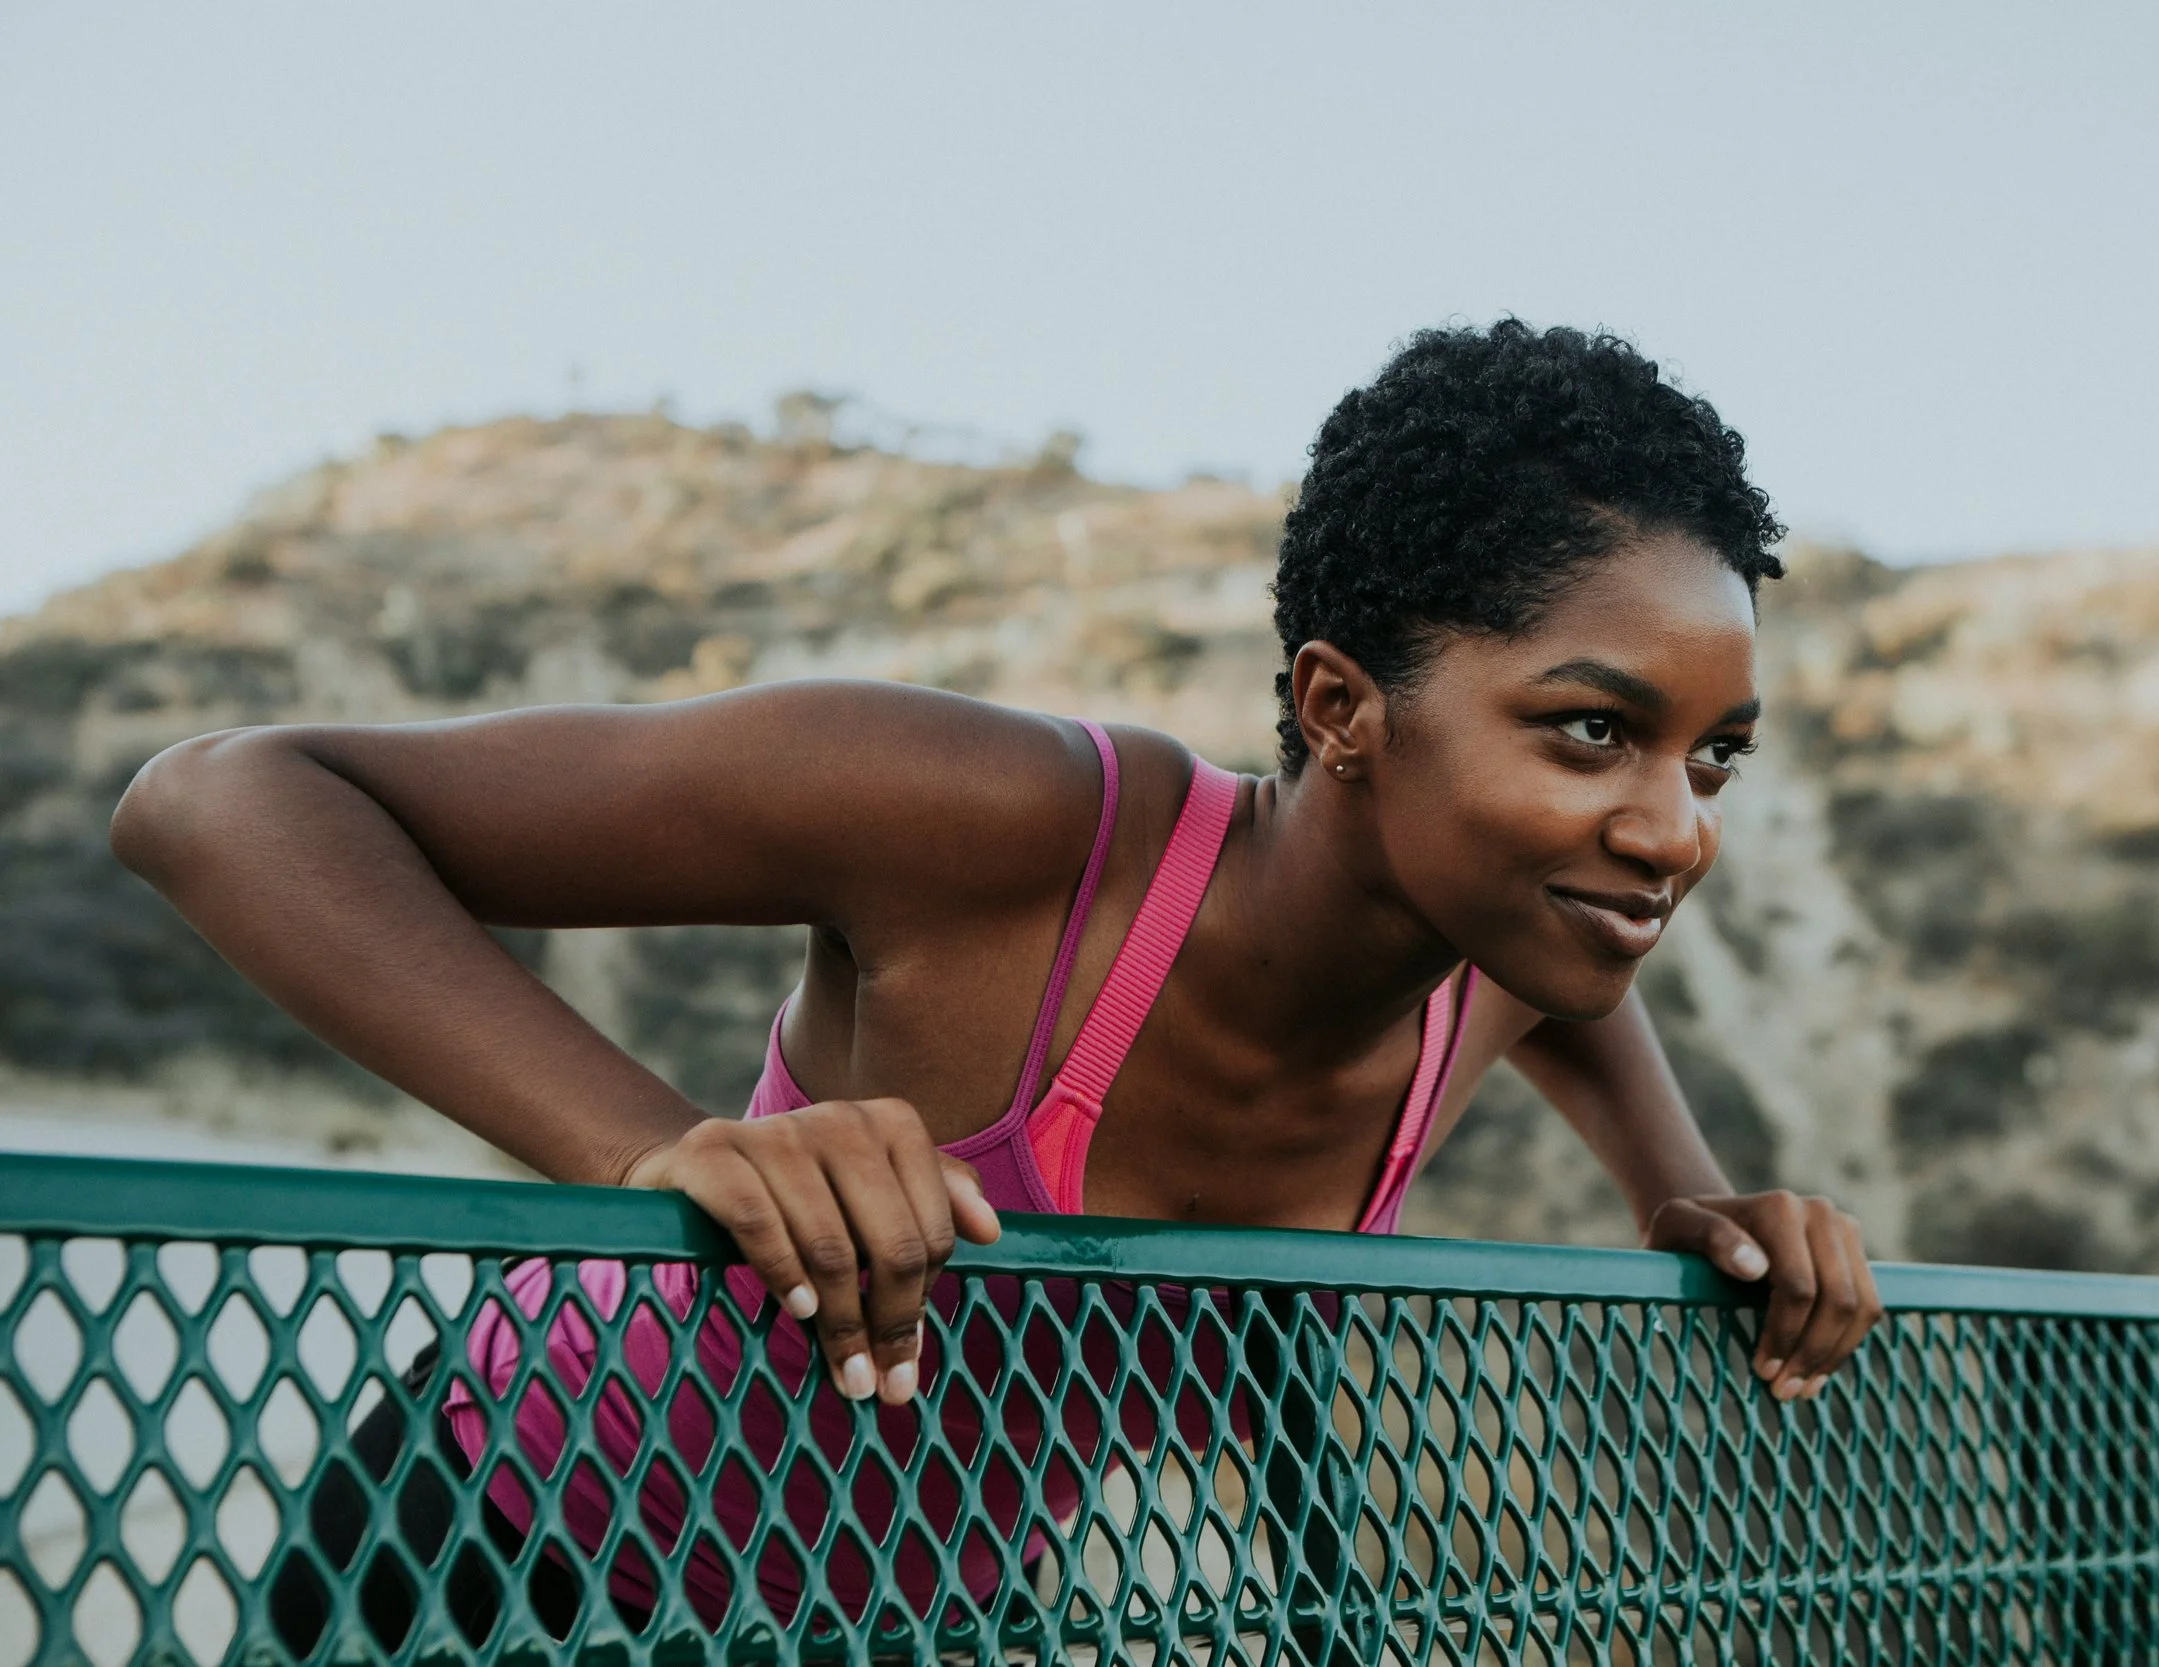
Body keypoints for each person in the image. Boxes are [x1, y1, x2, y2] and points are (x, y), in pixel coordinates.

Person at [114, 320, 1882, 1634]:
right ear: (1343, 707)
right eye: (1591, 732)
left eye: (1709, 756)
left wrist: (1688, 1191)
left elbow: (1587, 1007)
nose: (1669, 833)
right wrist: (661, 1150)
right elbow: (227, 802)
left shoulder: (1509, 946)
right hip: (501, 1548)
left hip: (904, 1614)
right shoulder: (1010, 831)